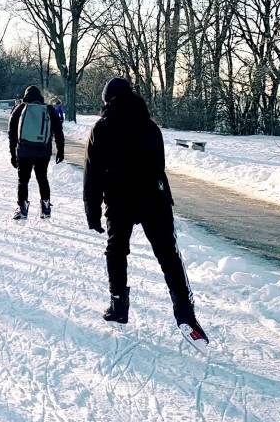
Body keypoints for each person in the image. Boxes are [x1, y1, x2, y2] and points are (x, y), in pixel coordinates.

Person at [83, 76, 208, 346]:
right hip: (154, 198)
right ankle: (185, 312)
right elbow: (159, 164)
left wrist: (91, 210)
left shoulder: (101, 128)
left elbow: (92, 174)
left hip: (119, 200)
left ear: (107, 100)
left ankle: (118, 306)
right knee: (168, 254)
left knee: (117, 250)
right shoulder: (150, 126)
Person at [9, 85, 65, 220]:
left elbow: (12, 133)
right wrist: (60, 150)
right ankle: (45, 208)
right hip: (43, 151)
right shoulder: (49, 109)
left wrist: (12, 153)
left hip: (24, 152)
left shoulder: (20, 109)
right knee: (42, 178)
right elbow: (58, 131)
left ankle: (22, 209)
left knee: (23, 180)